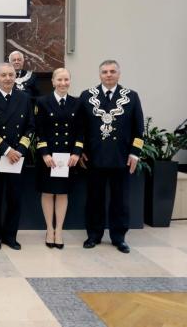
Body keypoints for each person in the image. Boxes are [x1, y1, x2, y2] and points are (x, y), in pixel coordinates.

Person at [79, 59, 144, 254]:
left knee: (120, 201)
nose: (108, 75)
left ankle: (119, 237)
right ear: (100, 75)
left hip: (121, 158)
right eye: (105, 72)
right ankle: (93, 235)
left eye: (112, 71)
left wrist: (135, 153)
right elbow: (79, 127)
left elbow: (139, 129)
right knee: (94, 199)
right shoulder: (87, 96)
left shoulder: (131, 96)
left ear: (118, 74)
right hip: (94, 157)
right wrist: (80, 150)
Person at [0, 62, 35, 251]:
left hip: (17, 158)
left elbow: (30, 127)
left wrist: (20, 150)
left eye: (11, 75)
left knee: (14, 199)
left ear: (15, 77)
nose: (8, 78)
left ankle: (10, 236)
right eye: (4, 75)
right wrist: (6, 150)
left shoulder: (25, 99)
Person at [34, 68, 83, 249]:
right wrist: (44, 153)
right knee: (47, 193)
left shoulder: (77, 103)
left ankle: (59, 231)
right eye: (59, 80)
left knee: (62, 193)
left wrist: (77, 152)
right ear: (53, 82)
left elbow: (81, 130)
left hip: (67, 157)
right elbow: (38, 130)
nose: (63, 83)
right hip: (48, 156)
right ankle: (49, 229)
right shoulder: (42, 102)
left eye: (66, 79)